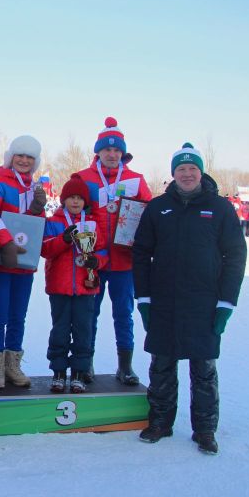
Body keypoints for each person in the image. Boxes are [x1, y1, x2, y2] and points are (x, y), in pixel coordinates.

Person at [132, 143, 246, 455]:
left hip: (204, 302)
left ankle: (205, 430)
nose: (186, 174)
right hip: (164, 301)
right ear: (173, 174)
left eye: (192, 168)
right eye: (181, 169)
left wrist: (226, 303)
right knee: (162, 366)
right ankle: (160, 422)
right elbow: (141, 254)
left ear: (201, 172)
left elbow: (235, 255)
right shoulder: (157, 208)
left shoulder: (220, 208)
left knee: (204, 369)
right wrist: (144, 298)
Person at [74, 117, 152, 385]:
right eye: (107, 149)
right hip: (93, 260)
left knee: (123, 314)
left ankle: (125, 366)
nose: (112, 154)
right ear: (98, 152)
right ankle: (86, 363)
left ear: (123, 153)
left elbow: (149, 215)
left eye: (117, 150)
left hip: (123, 261)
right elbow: (73, 211)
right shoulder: (83, 178)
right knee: (88, 314)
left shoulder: (136, 180)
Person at [0, 135, 46, 389]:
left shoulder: (34, 187)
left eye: (29, 157)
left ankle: (13, 365)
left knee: (18, 316)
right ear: (11, 157)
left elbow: (28, 227)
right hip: (1, 263)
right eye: (20, 155)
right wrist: (5, 241)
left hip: (24, 265)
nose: (24, 161)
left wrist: (37, 210)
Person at [41, 175, 108, 393]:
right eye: (71, 197)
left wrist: (96, 261)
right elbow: (45, 249)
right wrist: (64, 240)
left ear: (85, 201)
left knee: (83, 331)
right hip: (59, 287)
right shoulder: (54, 222)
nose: (76, 201)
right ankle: (59, 372)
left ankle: (79, 372)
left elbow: (103, 251)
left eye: (80, 198)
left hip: (86, 287)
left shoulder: (93, 224)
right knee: (59, 330)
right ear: (63, 200)